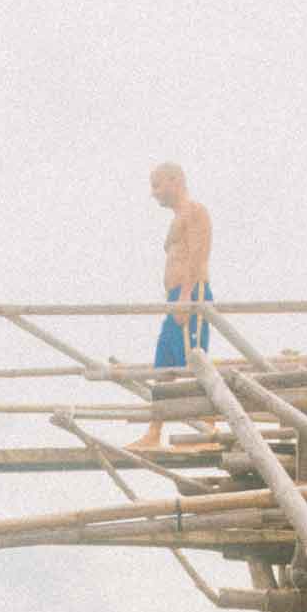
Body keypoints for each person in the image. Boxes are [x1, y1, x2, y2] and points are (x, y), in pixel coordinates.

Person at [133, 161, 213, 450]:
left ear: (175, 180)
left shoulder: (194, 211)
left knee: (194, 361)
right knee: (163, 366)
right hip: (175, 298)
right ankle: (154, 431)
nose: (154, 193)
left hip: (190, 295)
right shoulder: (178, 216)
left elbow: (198, 254)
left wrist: (186, 296)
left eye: (157, 185)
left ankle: (209, 428)